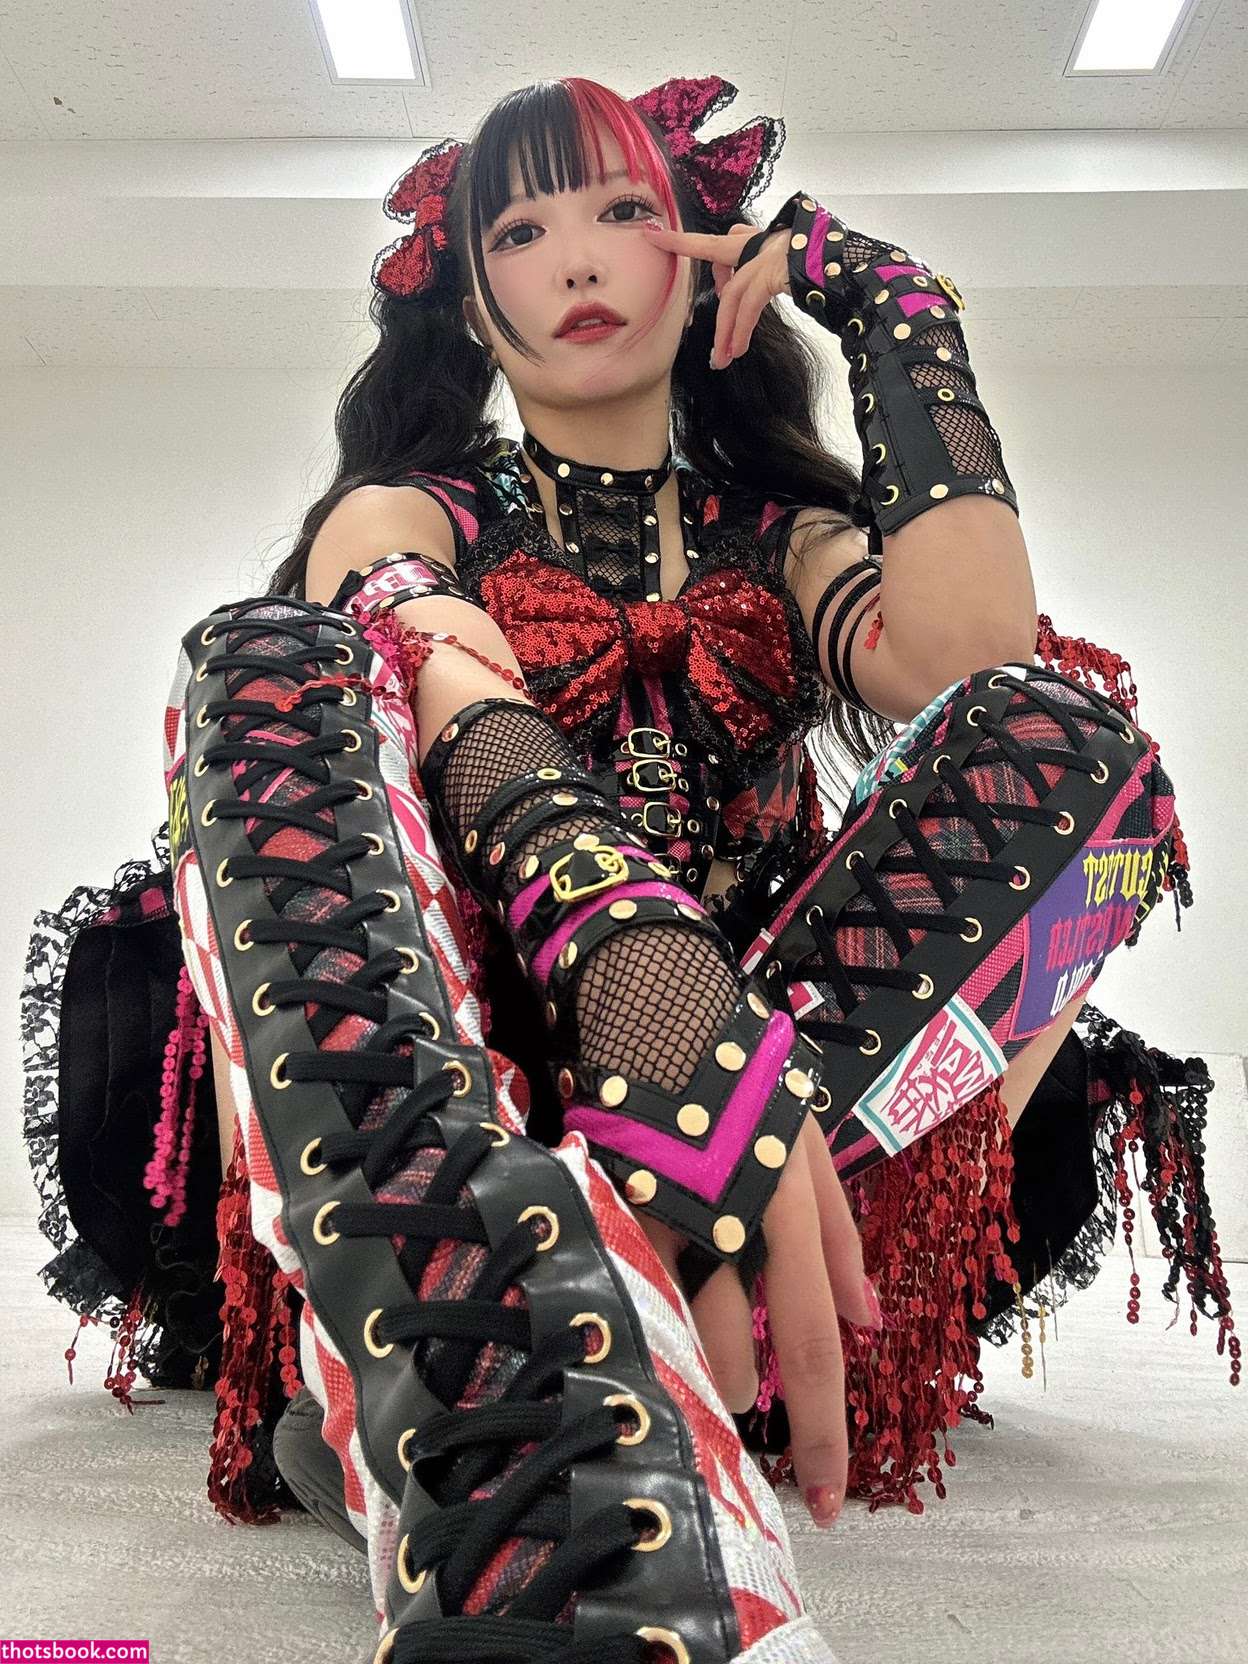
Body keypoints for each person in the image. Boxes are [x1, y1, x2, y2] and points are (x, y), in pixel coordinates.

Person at [21, 72, 1236, 1663]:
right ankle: (495, 1331)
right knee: (267, 658)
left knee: (1071, 740)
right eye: (521, 232)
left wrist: (901, 313)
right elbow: (424, 648)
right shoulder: (414, 509)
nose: (580, 258)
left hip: (770, 1099)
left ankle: (650, 1296)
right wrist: (625, 939)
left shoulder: (782, 538)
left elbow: (969, 661)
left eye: (621, 210)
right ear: (471, 300)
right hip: (458, 1087)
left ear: (706, 257)